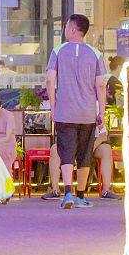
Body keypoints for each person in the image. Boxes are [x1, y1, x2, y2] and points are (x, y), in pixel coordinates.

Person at [46, 14, 106, 210]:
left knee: (66, 153)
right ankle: (81, 196)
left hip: (65, 112)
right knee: (84, 154)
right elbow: (101, 85)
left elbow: (49, 80)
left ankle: (68, 193)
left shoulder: (58, 51)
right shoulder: (96, 53)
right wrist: (101, 112)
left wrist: (54, 108)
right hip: (88, 113)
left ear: (71, 29)